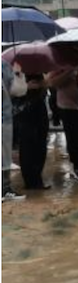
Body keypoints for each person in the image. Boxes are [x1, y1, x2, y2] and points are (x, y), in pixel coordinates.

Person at [48, 64, 78, 180]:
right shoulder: (61, 62)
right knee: (74, 139)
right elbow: (51, 82)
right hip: (67, 106)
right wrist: (69, 71)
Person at [3, 59, 26, 201]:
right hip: (3, 118)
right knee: (4, 156)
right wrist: (18, 73)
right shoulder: (3, 65)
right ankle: (4, 190)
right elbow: (19, 90)